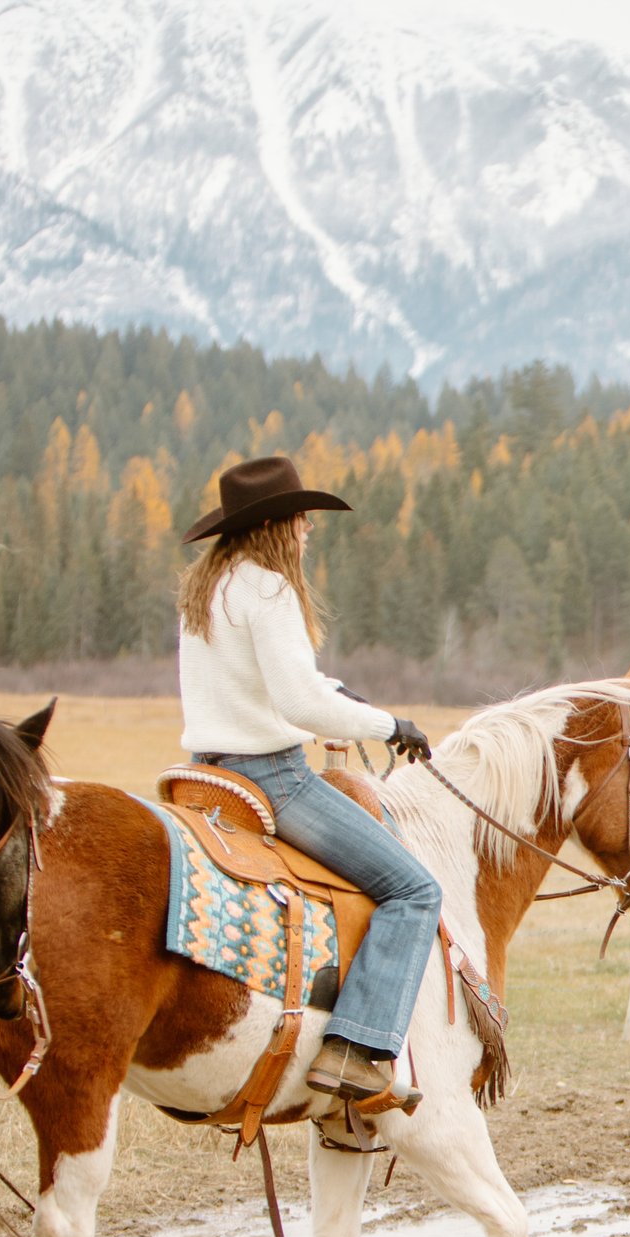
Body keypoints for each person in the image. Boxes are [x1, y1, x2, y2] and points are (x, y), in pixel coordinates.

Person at [176, 454, 441, 1106]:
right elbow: (298, 704)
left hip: (203, 773)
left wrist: (334, 693)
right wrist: (388, 723)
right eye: (301, 520)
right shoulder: (270, 589)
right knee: (414, 889)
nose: (307, 532)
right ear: (278, 524)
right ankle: (356, 1048)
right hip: (273, 779)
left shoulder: (207, 588)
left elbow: (281, 685)